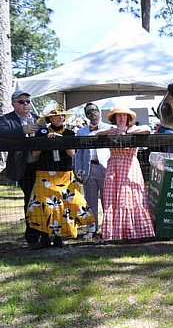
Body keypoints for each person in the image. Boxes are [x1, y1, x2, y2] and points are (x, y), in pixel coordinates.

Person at [27, 104, 95, 247]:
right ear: (50, 118)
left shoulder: (69, 133)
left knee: (65, 206)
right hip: (44, 173)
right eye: (57, 115)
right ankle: (44, 237)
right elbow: (34, 154)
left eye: (63, 115)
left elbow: (72, 153)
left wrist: (60, 140)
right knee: (43, 206)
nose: (61, 117)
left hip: (64, 174)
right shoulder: (42, 132)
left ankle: (60, 237)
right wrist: (45, 141)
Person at [97, 107, 155, 241]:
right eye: (119, 115)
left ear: (129, 118)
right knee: (114, 199)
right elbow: (96, 133)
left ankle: (136, 233)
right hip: (114, 167)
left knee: (132, 197)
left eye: (124, 115)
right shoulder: (110, 129)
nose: (122, 118)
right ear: (114, 118)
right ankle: (116, 234)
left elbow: (147, 129)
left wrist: (128, 131)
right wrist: (111, 131)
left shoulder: (136, 129)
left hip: (130, 167)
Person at [0, 90, 42, 248]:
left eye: (28, 101)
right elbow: (1, 132)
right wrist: (21, 131)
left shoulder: (38, 120)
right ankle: (32, 235)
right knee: (30, 199)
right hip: (23, 167)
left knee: (44, 198)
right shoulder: (6, 119)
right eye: (21, 102)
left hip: (41, 166)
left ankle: (45, 232)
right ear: (13, 104)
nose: (26, 104)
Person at [74, 103, 111, 240]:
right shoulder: (81, 132)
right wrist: (78, 171)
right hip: (89, 169)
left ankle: (109, 228)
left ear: (99, 112)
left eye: (95, 110)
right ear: (86, 115)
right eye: (89, 112)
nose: (93, 113)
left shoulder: (109, 128)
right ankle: (92, 228)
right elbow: (79, 154)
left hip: (106, 168)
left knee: (107, 201)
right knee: (90, 202)